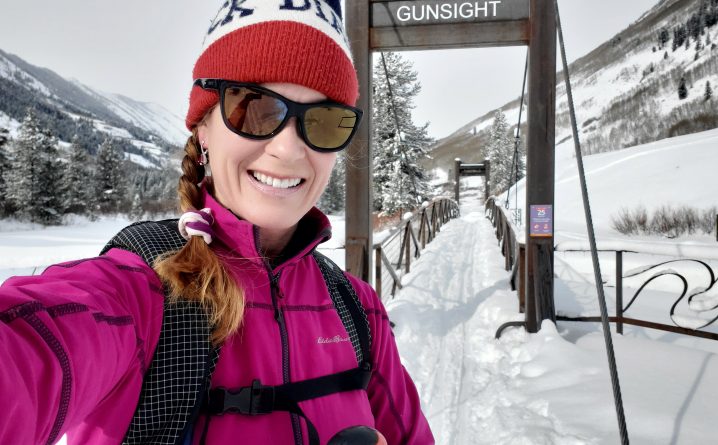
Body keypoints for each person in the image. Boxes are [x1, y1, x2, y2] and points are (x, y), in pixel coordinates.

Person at [0, 1, 435, 444]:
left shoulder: (358, 308)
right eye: (254, 108)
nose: (288, 149)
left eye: (323, 122)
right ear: (203, 129)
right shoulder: (139, 292)